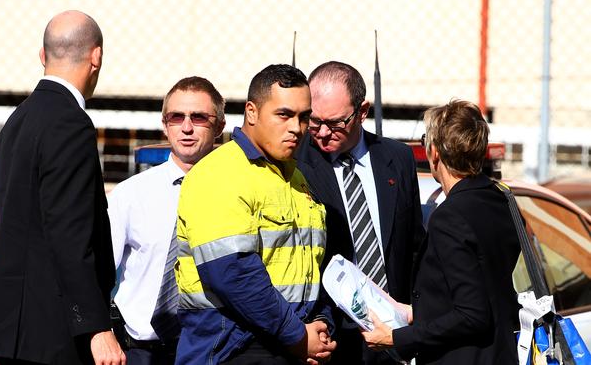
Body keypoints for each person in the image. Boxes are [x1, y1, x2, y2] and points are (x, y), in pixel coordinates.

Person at [0, 11, 125, 365]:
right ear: (96, 57)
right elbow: (70, 235)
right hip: (53, 337)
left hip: (11, 331)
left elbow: (4, 224)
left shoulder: (17, 120)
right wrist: (97, 326)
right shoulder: (70, 123)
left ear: (43, 55)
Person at [174, 64, 337, 364]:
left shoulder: (297, 180)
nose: (296, 128)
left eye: (304, 117)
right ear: (252, 112)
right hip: (230, 346)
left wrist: (322, 324)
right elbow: (233, 273)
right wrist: (299, 336)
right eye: (284, 114)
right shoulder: (220, 172)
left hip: (288, 343)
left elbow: (313, 267)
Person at [361, 100, 521, 364]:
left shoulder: (450, 217)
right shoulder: (500, 200)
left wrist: (398, 338)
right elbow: (478, 290)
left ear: (434, 152)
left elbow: (472, 314)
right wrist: (415, 312)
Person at [295, 61, 425, 364]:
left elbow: (415, 247)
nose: (323, 132)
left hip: (395, 332)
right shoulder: (296, 165)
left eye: (337, 123)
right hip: (330, 337)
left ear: (362, 111)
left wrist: (416, 318)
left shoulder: (398, 158)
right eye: (315, 122)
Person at [107, 76, 226, 364]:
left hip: (212, 350)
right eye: (176, 117)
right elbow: (97, 273)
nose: (186, 127)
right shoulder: (129, 195)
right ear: (165, 124)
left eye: (198, 117)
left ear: (219, 127)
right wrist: (102, 331)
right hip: (139, 351)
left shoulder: (234, 194)